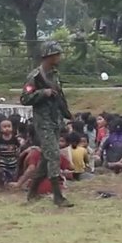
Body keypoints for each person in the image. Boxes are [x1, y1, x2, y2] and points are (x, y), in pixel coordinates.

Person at [19, 41, 74, 207]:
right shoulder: (35, 77)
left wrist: (66, 114)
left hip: (55, 120)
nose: (59, 57)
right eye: (57, 54)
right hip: (43, 122)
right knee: (54, 156)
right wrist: (43, 93)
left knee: (46, 157)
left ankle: (32, 192)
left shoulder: (54, 74)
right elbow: (24, 98)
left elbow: (60, 96)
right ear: (49, 56)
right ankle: (58, 196)